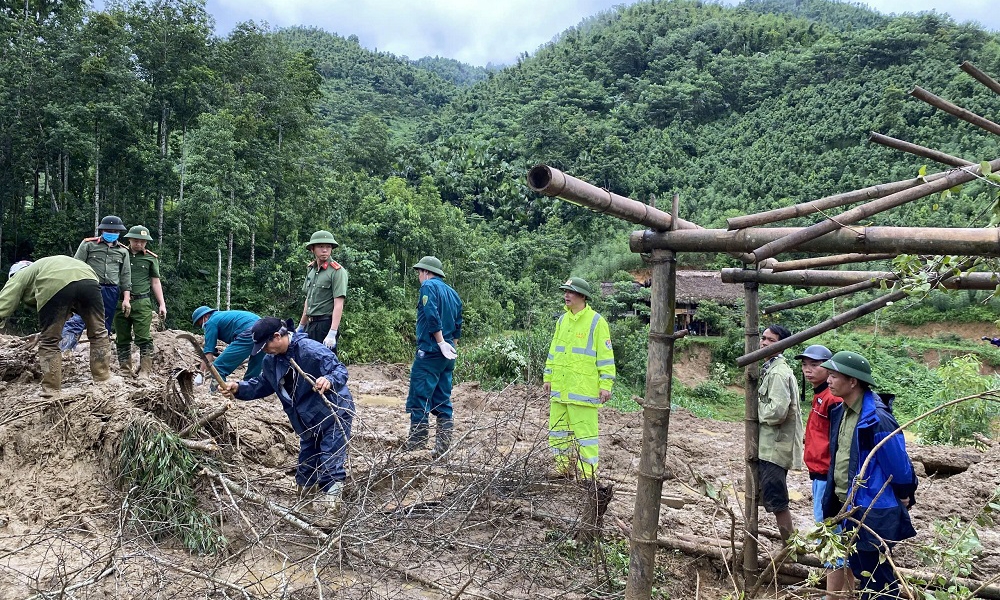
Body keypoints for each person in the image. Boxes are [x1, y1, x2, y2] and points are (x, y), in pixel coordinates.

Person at [219, 317, 354, 519]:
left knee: (330, 461)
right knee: (306, 462)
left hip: (334, 413)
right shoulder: (271, 360)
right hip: (306, 420)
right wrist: (239, 388)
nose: (264, 350)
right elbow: (264, 384)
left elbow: (339, 370)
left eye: (265, 345)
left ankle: (332, 512)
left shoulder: (310, 350)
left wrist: (328, 379)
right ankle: (304, 506)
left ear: (277, 336)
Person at [821, 351, 917, 600]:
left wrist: (905, 493)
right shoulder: (842, 412)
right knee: (862, 571)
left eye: (833, 375)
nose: (828, 380)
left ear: (853, 381)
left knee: (877, 578)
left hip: (872, 509)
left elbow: (899, 465)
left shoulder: (878, 419)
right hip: (848, 506)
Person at [0, 257, 111, 395]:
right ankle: (103, 380)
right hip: (89, 278)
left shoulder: (20, 275)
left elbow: (3, 304)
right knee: (99, 333)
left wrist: (47, 334)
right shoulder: (45, 266)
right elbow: (66, 310)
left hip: (55, 283)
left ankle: (51, 391)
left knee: (49, 342)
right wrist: (43, 332)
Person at [543, 277, 615, 480]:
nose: (566, 295)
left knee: (586, 436)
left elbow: (606, 356)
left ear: (583, 296)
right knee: (558, 433)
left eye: (571, 291)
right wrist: (548, 377)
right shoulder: (562, 321)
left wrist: (606, 384)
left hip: (583, 390)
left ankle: (587, 475)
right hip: (560, 389)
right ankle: (562, 468)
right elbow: (553, 351)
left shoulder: (596, 322)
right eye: (565, 291)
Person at [795, 344, 851, 598]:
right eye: (805, 364)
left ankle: (833, 595)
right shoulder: (821, 395)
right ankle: (844, 593)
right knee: (836, 535)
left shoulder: (832, 399)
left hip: (828, 478)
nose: (808, 369)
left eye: (814, 365)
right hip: (819, 475)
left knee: (830, 537)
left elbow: (839, 443)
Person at [404, 256, 463, 458]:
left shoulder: (428, 286)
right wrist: (451, 348)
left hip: (430, 351)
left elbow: (431, 314)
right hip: (447, 356)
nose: (419, 277)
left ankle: (416, 448)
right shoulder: (454, 294)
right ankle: (442, 449)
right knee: (442, 399)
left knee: (419, 397)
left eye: (419, 272)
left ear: (426, 272)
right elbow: (458, 325)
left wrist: (439, 342)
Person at [757, 325, 804, 541]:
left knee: (777, 499)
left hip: (775, 448)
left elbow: (777, 412)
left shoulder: (777, 373)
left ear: (782, 345)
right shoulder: (771, 368)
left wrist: (756, 413)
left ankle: (790, 544)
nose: (764, 343)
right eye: (763, 338)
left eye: (771, 340)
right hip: (770, 447)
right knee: (770, 495)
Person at [61, 215, 132, 351]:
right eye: (108, 231)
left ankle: (99, 359)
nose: (111, 234)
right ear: (102, 230)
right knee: (79, 319)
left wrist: (126, 299)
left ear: (119, 233)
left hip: (111, 291)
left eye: (115, 232)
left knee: (103, 326)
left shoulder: (123, 251)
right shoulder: (88, 244)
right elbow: (76, 267)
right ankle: (63, 350)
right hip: (90, 288)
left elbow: (125, 276)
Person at [113, 225, 166, 377]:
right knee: (122, 337)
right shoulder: (120, 253)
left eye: (143, 242)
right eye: (136, 241)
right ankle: (125, 370)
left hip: (142, 302)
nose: (139, 244)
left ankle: (145, 370)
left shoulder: (150, 258)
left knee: (144, 338)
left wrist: (162, 304)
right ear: (129, 239)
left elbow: (155, 282)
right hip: (120, 301)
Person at [297, 230, 347, 350]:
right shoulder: (311, 270)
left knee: (326, 364)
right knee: (308, 363)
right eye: (320, 246)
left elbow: (339, 303)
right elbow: (308, 300)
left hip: (325, 324)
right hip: (311, 324)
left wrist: (332, 332)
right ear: (312, 249)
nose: (325, 250)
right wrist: (301, 325)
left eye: (328, 247)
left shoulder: (337, 271)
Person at [191, 306, 263, 381]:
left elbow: (208, 353)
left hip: (248, 333)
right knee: (255, 370)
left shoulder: (211, 322)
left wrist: (201, 374)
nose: (203, 327)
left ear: (205, 316)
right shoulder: (222, 316)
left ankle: (216, 391)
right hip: (264, 332)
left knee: (218, 368)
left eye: (200, 324)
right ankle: (249, 391)